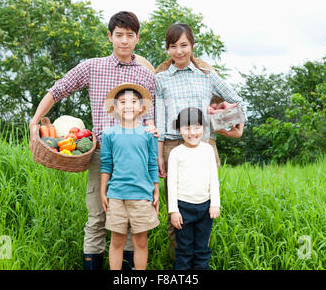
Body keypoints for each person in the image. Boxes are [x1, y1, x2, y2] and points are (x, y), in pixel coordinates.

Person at [28, 11, 158, 270]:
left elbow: (150, 118)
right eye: (119, 35)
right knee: (98, 216)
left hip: (136, 157)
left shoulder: (146, 75)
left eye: (129, 36)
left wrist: (154, 158)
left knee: (133, 223)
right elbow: (58, 89)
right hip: (103, 154)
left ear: (137, 38)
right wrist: (35, 120)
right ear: (110, 36)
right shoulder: (92, 67)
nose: (124, 40)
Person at [154, 23, 247, 258]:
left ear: (192, 46)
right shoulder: (161, 79)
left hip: (205, 145)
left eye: (184, 45)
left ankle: (200, 260)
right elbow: (161, 120)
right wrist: (159, 154)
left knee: (205, 204)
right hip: (173, 146)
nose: (179, 51)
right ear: (167, 50)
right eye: (173, 46)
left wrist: (231, 127)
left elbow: (238, 102)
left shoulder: (208, 77)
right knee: (175, 208)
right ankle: (180, 263)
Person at [100, 83, 160, 270]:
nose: (128, 105)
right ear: (115, 108)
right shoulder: (109, 134)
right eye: (123, 101)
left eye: (133, 101)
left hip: (142, 196)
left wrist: (155, 190)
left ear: (141, 108)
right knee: (117, 241)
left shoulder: (148, 134)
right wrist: (103, 191)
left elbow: (152, 163)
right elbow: (106, 164)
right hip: (116, 196)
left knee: (140, 242)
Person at [167, 107, 219, 269]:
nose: (192, 132)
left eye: (197, 127)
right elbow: (171, 184)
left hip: (205, 207)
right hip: (183, 208)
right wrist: (173, 210)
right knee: (184, 250)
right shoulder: (176, 153)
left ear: (203, 128)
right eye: (186, 127)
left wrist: (215, 204)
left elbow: (214, 179)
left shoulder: (208, 149)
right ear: (179, 129)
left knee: (202, 249)